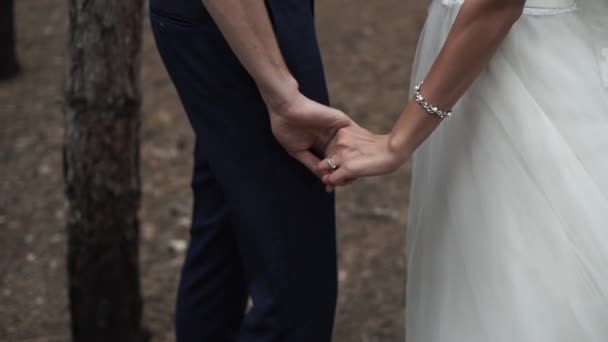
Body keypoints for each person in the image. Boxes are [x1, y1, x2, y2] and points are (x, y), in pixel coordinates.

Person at [321, 0, 608, 341]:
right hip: (497, 63)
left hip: (521, 76)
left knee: (522, 282)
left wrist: (398, 142)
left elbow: (496, 5)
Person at [149, 0, 352, 341]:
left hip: (224, 19)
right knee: (296, 292)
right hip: (248, 17)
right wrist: (282, 94)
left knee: (223, 229)